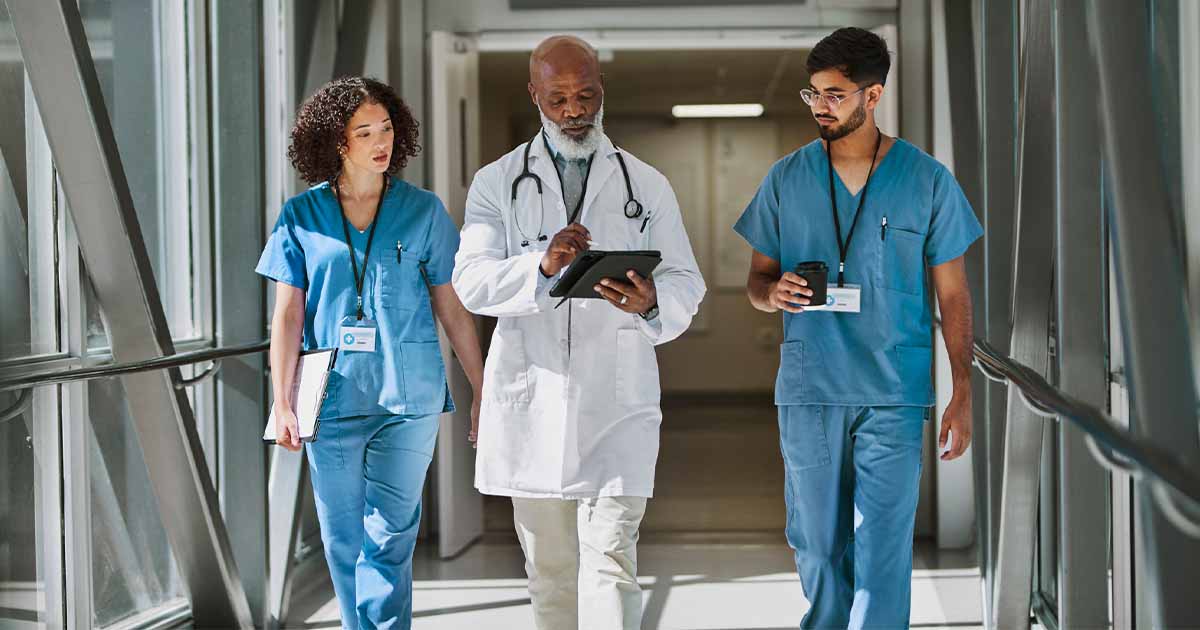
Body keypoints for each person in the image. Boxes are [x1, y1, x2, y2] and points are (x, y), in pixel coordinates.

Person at [452, 35, 706, 630]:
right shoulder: (497, 182)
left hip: (616, 402)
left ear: (602, 90)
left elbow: (685, 280)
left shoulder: (646, 184)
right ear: (534, 95)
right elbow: (471, 282)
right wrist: (540, 267)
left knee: (611, 561)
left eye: (585, 96)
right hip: (532, 400)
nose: (574, 110)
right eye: (558, 98)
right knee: (550, 571)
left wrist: (652, 302)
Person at [734, 28, 983, 629]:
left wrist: (962, 390)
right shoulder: (786, 178)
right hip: (811, 388)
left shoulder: (926, 180)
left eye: (834, 94)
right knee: (818, 545)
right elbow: (757, 282)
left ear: (873, 96)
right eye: (813, 93)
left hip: (894, 390)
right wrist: (773, 293)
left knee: (883, 547)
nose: (820, 106)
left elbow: (953, 294)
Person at [257, 76, 484, 630]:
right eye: (365, 132)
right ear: (336, 141)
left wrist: (483, 390)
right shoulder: (301, 216)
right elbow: (287, 317)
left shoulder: (423, 211)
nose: (381, 142)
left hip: (410, 398)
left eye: (386, 128)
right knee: (343, 538)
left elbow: (453, 309)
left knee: (390, 534)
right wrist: (282, 404)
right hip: (332, 399)